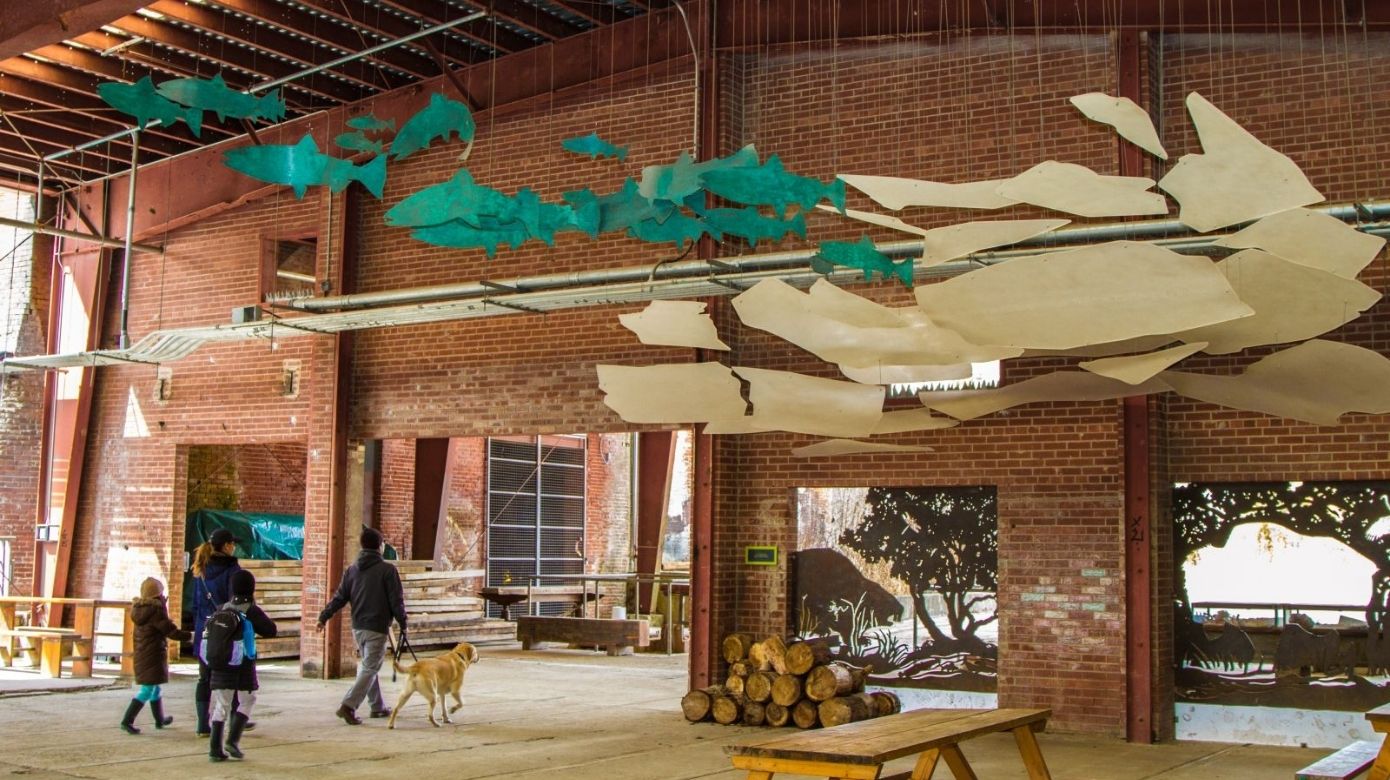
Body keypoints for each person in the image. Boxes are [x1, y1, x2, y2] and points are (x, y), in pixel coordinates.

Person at [315, 527, 408, 725]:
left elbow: (339, 598)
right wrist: (403, 622)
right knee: (370, 667)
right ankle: (348, 705)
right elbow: (396, 600)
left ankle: (377, 706)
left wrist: (324, 617)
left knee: (368, 665)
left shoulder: (352, 570)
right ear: (380, 546)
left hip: (358, 627)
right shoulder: (388, 570)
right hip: (377, 627)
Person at [207, 569, 276, 762]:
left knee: (222, 704)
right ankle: (232, 740)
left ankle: (215, 749)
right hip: (242, 665)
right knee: (248, 699)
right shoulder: (251, 610)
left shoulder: (221, 608)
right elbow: (271, 630)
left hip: (221, 664)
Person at [120, 577, 193, 735]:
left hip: (144, 654)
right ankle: (127, 720)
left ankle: (159, 719)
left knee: (155, 688)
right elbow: (170, 630)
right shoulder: (155, 611)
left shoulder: (140, 609)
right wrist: (190, 636)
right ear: (157, 594)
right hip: (152, 654)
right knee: (147, 689)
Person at [191, 527, 243, 736]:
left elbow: (196, 605)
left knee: (204, 679)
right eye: (233, 543)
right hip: (226, 632)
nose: (234, 547)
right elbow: (235, 602)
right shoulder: (233, 570)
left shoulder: (200, 569)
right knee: (232, 676)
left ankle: (202, 725)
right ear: (227, 546)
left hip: (204, 630)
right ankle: (234, 720)